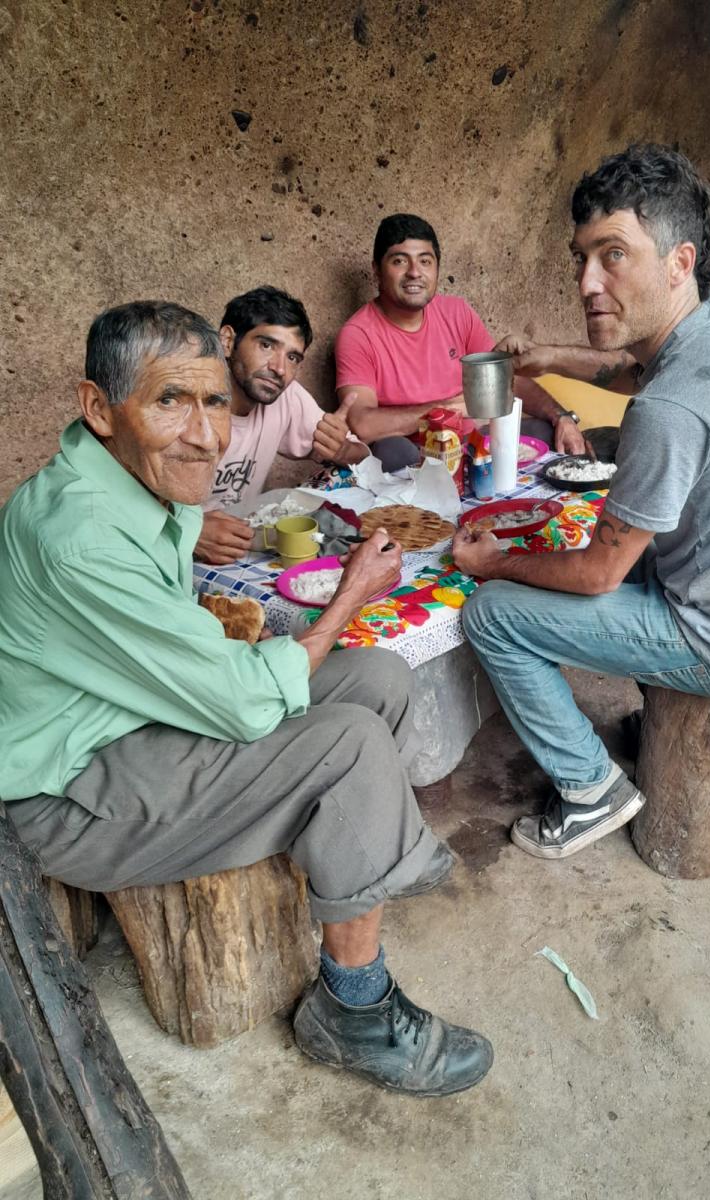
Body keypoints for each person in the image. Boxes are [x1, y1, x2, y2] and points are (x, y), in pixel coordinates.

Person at [0, 301, 492, 1097]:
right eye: (170, 401)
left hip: (134, 724)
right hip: (73, 793)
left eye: (215, 402)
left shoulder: (128, 492)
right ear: (98, 408)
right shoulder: (80, 536)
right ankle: (353, 1008)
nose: (206, 434)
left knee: (379, 678)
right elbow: (234, 701)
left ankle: (349, 861)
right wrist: (347, 599)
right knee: (351, 747)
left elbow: (201, 667)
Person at [454, 144, 710, 860]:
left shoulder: (669, 410)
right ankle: (640, 720)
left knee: (495, 615)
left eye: (612, 255)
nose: (587, 281)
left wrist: (498, 560)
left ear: (679, 262)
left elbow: (597, 574)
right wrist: (549, 358)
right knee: (601, 541)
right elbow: (632, 366)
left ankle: (589, 786)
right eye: (580, 258)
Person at [334, 213, 588, 470]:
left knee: (543, 431)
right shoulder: (358, 334)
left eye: (425, 261)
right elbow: (362, 424)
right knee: (391, 451)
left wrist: (562, 417)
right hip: (417, 458)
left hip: (471, 446)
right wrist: (445, 409)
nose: (414, 272)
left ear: (436, 269)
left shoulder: (456, 312)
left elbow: (507, 381)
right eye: (399, 261)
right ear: (377, 269)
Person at [197, 285, 369, 566]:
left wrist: (342, 449)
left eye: (292, 357)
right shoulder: (186, 406)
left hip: (244, 551)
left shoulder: (285, 396)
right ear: (227, 341)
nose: (279, 368)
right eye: (266, 345)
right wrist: (189, 532)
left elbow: (362, 457)